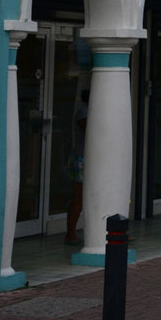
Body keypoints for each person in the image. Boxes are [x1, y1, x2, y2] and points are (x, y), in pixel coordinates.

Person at [65, 89, 89, 245]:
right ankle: (70, 233)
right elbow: (91, 130)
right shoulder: (84, 112)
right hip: (81, 158)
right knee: (79, 198)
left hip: (92, 159)